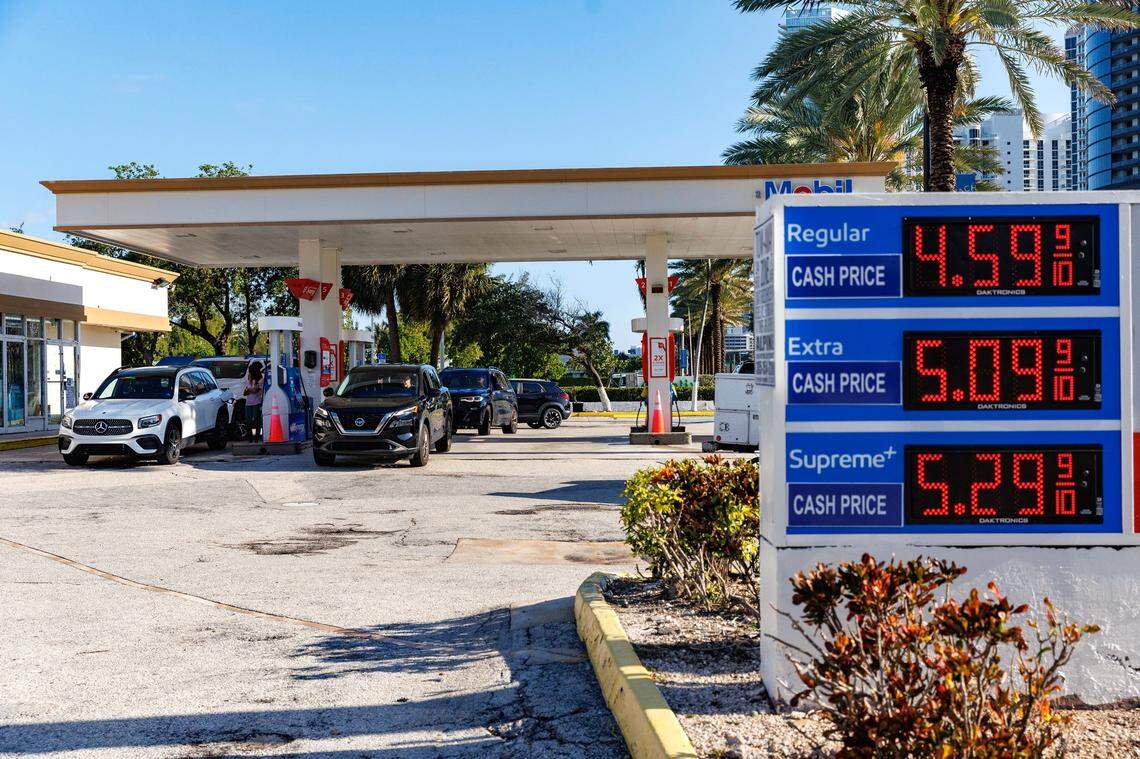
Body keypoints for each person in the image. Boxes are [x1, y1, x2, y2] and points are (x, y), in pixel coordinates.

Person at [243, 361, 264, 442]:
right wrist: (250, 389)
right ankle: (250, 438)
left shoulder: (261, 379)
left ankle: (257, 437)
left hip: (257, 402)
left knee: (256, 420)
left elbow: (255, 390)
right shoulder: (249, 379)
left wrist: (250, 390)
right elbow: (245, 392)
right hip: (248, 403)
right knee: (248, 421)